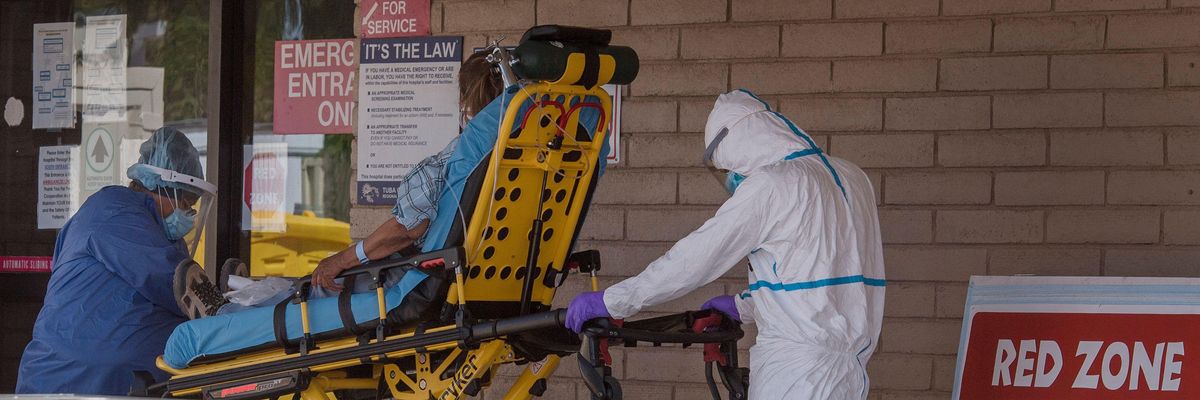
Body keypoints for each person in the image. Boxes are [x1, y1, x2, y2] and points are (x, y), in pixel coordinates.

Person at [564, 90, 886, 399]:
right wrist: (743, 305)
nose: (731, 178)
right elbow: (823, 274)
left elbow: (694, 259)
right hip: (851, 372)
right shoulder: (853, 178)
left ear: (740, 148)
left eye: (729, 169)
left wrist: (614, 301)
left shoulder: (772, 185)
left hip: (796, 375)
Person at [173, 49, 506, 317]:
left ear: (466, 102)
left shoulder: (456, 160)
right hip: (471, 284)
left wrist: (343, 260)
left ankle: (225, 314)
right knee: (303, 287)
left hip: (408, 283)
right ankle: (247, 293)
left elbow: (408, 228)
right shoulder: (510, 162)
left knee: (314, 290)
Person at [17, 127, 216, 395]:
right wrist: (228, 312)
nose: (188, 214)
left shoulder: (159, 234)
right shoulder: (114, 211)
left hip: (114, 383)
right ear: (160, 187)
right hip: (71, 381)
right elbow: (175, 282)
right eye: (185, 201)